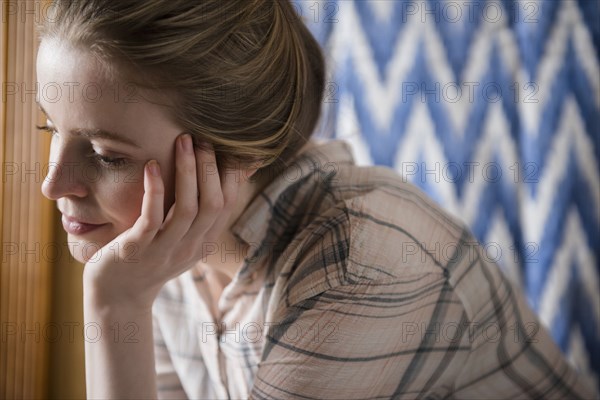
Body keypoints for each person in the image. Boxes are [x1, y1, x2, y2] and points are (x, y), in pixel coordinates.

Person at [36, 1, 597, 399]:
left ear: (236, 153)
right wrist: (122, 304)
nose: (54, 184)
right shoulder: (162, 256)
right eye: (50, 132)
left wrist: (114, 310)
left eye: (109, 156)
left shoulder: (359, 268)